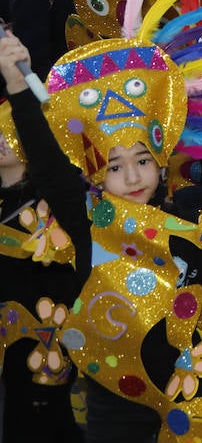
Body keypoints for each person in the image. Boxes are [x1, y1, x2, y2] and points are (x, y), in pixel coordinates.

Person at [0, 22, 202, 442]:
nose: (132, 176)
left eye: (143, 160)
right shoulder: (86, 223)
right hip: (113, 403)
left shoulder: (189, 230)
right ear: (97, 172)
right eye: (115, 166)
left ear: (162, 159)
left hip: (185, 391)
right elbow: (47, 163)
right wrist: (19, 87)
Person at [0, 102, 83, 441]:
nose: (1, 139)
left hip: (43, 341)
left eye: (7, 130)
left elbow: (63, 279)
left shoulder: (49, 205)